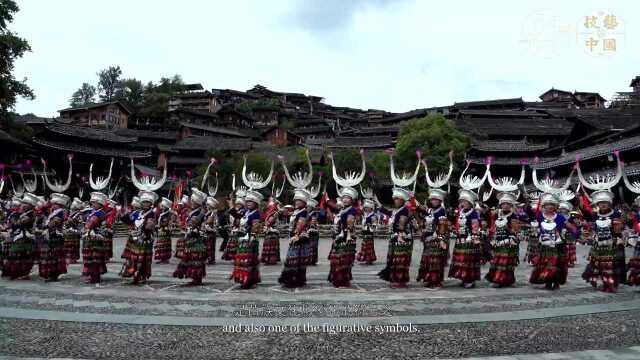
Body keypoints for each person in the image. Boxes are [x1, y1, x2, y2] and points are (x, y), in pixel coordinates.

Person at [581, 190, 624, 292]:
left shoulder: (616, 214)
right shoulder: (595, 215)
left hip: (611, 243)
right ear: (597, 204)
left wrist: (617, 226)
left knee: (610, 265)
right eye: (601, 203)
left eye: (605, 202)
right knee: (599, 264)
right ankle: (605, 282)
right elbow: (592, 228)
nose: (603, 204)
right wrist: (588, 235)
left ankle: (610, 284)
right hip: (598, 244)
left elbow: (618, 230)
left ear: (609, 203)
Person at [378, 187, 414, 288]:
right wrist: (378, 204)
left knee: (400, 260)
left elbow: (402, 224)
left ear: (402, 200)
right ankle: (395, 278)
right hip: (395, 238)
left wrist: (400, 234)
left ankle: (400, 280)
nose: (395, 201)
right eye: (394, 199)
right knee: (394, 260)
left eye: (397, 199)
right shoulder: (397, 210)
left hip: (402, 238)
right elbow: (388, 212)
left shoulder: (405, 211)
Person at [529, 193, 567, 290]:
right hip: (544, 244)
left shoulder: (560, 218)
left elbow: (569, 228)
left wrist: (573, 234)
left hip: (557, 244)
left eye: (552, 205)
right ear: (543, 206)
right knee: (545, 263)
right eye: (547, 205)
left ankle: (556, 282)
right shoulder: (539, 217)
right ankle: (548, 282)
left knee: (556, 264)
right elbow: (535, 226)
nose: (549, 207)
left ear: (555, 207)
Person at [120, 191, 157, 284]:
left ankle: (142, 275)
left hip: (145, 239)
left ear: (151, 203)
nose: (145, 204)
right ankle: (133, 273)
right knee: (134, 258)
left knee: (143, 259)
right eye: (144, 202)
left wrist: (148, 225)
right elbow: (130, 222)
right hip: (135, 239)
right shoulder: (138, 213)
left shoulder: (151, 213)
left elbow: (150, 226)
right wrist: (122, 215)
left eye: (147, 202)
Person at [449, 188, 482, 288]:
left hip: (469, 240)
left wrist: (474, 238)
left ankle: (470, 279)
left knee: (468, 260)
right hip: (460, 239)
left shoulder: (473, 213)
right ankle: (463, 277)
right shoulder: (460, 212)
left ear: (470, 203)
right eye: (461, 201)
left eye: (465, 201)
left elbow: (475, 228)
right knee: (461, 260)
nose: (462, 203)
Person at [485, 192, 520, 288]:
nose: (505, 206)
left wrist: (507, 228)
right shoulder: (497, 214)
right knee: (496, 261)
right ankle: (505, 279)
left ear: (511, 205)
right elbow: (493, 226)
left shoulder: (514, 216)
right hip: (498, 241)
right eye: (503, 204)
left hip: (508, 241)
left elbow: (515, 232)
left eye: (507, 204)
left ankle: (499, 280)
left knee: (505, 261)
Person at [173, 189, 207, 285]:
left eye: (194, 202)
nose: (192, 203)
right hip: (190, 237)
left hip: (197, 238)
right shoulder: (193, 212)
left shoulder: (200, 213)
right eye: (192, 201)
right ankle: (193, 276)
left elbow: (196, 224)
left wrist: (193, 226)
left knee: (196, 258)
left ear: (198, 203)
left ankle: (197, 277)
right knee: (190, 258)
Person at [416, 188, 449, 288]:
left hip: (437, 240)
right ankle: (428, 278)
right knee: (428, 259)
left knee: (435, 261)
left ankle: (435, 281)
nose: (433, 201)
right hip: (428, 239)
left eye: (436, 199)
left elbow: (443, 228)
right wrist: (412, 198)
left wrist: (439, 239)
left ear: (440, 201)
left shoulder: (441, 211)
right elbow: (417, 209)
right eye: (432, 199)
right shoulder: (430, 210)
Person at [231, 190, 262, 289]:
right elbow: (237, 220)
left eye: (251, 202)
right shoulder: (245, 211)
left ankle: (250, 280)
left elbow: (255, 227)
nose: (248, 203)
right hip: (242, 239)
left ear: (256, 203)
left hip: (250, 239)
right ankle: (242, 278)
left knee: (249, 260)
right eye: (247, 201)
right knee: (242, 260)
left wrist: (252, 237)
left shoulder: (256, 213)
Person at [2, 193, 38, 279]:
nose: (23, 205)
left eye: (25, 204)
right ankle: (15, 272)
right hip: (20, 236)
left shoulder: (31, 214)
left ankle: (23, 273)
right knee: (16, 254)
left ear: (30, 205)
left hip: (26, 236)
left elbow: (20, 222)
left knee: (22, 255)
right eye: (23, 204)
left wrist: (15, 222)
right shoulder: (24, 213)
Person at [328, 187, 358, 288]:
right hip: (338, 238)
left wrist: (346, 235)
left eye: (347, 198)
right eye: (343, 198)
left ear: (352, 200)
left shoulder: (352, 210)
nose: (345, 199)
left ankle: (343, 280)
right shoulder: (343, 210)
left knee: (344, 260)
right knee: (336, 260)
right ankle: (337, 279)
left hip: (346, 238)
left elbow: (350, 224)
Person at [279, 189, 309, 288]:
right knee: (293, 259)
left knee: (295, 259)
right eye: (296, 200)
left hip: (299, 238)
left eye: (299, 200)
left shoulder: (303, 212)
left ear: (304, 202)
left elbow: (300, 224)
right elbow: (289, 216)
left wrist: (296, 235)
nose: (297, 202)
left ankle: (295, 279)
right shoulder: (296, 211)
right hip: (293, 237)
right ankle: (292, 278)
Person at [38, 193, 69, 282]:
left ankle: (54, 275)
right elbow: (43, 211)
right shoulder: (53, 212)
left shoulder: (61, 212)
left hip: (56, 236)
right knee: (50, 255)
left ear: (59, 204)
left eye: (54, 204)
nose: (52, 205)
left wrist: (46, 227)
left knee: (54, 256)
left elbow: (54, 223)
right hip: (51, 236)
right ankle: (51, 274)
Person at [82, 192, 109, 284]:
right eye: (92, 202)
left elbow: (92, 223)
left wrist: (88, 228)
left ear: (100, 204)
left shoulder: (100, 213)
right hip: (90, 238)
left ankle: (95, 277)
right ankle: (91, 275)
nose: (92, 204)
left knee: (95, 258)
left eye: (94, 203)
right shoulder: (93, 212)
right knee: (90, 258)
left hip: (96, 238)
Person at [63, 197, 85, 264]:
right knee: (70, 246)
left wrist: (68, 221)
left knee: (73, 246)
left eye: (72, 207)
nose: (71, 208)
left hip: (74, 232)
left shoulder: (78, 214)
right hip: (69, 232)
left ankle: (72, 258)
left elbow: (79, 223)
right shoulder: (71, 213)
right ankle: (70, 258)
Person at [357, 197, 378, 265]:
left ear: (371, 208)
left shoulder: (373, 216)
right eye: (365, 207)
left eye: (367, 207)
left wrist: (369, 227)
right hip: (365, 233)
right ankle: (365, 258)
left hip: (369, 233)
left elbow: (374, 226)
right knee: (365, 246)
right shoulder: (366, 215)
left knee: (369, 247)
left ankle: (369, 259)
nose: (365, 209)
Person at [261, 195, 281, 265]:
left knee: (271, 244)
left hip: (273, 230)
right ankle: (267, 258)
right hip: (268, 229)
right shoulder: (266, 211)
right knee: (268, 243)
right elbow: (264, 219)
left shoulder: (274, 212)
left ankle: (271, 259)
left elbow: (279, 211)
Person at [154, 197, 175, 264]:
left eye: (163, 206)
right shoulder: (163, 213)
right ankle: (162, 258)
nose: (162, 207)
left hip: (165, 232)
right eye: (162, 206)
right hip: (161, 231)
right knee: (161, 245)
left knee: (165, 245)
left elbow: (166, 222)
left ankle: (165, 259)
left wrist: (159, 225)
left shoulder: (168, 214)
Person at [204, 196, 218, 265]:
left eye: (208, 205)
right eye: (207, 204)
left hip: (211, 232)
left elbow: (215, 223)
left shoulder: (214, 213)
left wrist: (210, 228)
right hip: (206, 232)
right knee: (206, 246)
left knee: (210, 246)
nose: (206, 206)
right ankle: (207, 258)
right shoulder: (208, 212)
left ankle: (211, 259)